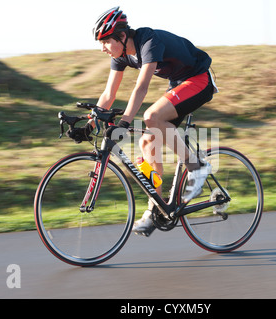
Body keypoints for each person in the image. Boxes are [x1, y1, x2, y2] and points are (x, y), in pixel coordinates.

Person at [76, 7, 218, 236]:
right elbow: (108, 95)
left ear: (121, 36)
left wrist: (124, 123)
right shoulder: (121, 55)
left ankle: (197, 166)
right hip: (178, 84)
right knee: (146, 144)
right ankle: (157, 207)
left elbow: (141, 87)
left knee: (152, 117)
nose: (102, 48)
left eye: (105, 41)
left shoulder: (148, 41)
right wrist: (89, 125)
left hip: (199, 79)